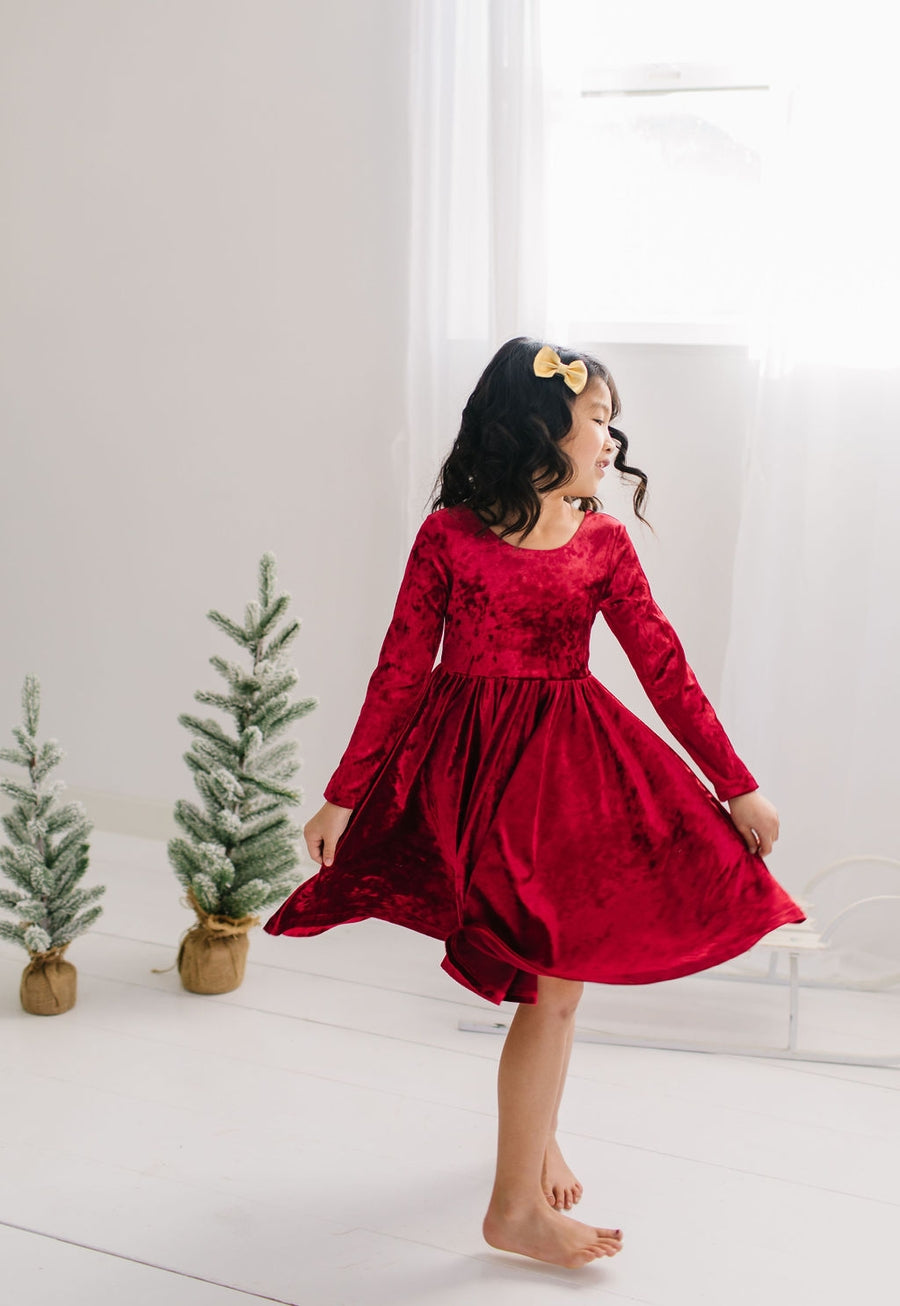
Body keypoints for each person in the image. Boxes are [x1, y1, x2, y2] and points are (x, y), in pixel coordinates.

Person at [264, 336, 806, 1270]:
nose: (611, 438)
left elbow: (664, 669)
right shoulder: (449, 538)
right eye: (596, 418)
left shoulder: (602, 544)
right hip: (473, 780)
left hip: (568, 781)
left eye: (610, 421)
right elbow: (401, 671)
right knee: (548, 980)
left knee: (553, 975)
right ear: (539, 426)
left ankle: (531, 1142)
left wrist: (736, 784)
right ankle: (515, 1205)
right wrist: (342, 798)